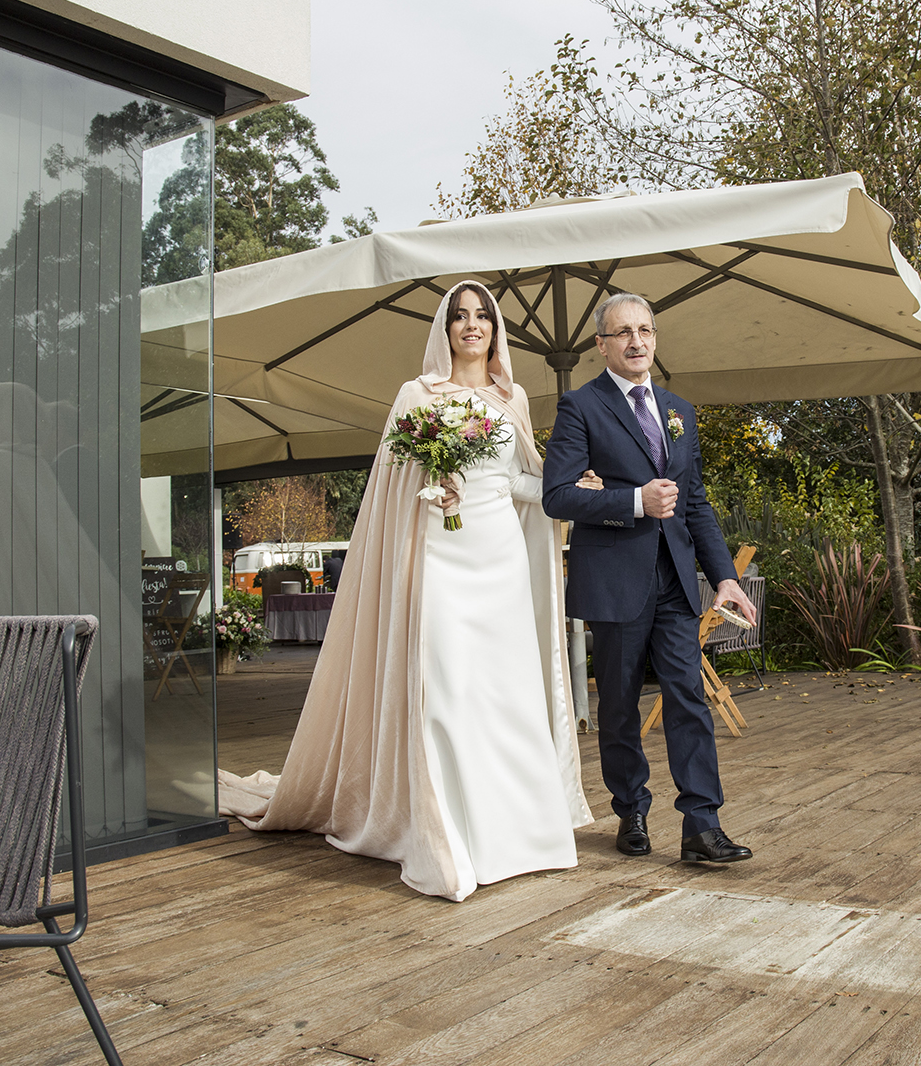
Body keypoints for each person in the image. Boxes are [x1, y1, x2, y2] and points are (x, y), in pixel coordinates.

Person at [218, 281, 596, 901]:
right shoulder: (415, 395)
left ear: (496, 331)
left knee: (503, 694)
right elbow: (390, 487)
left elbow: (523, 485)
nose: (472, 326)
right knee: (445, 690)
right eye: (460, 317)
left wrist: (573, 488)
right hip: (440, 557)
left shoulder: (514, 397)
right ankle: (447, 835)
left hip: (499, 559)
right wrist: (434, 484)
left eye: (482, 317)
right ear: (444, 330)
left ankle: (521, 836)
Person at [543, 292, 759, 864]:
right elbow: (557, 496)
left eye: (645, 330)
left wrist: (723, 578)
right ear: (601, 344)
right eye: (623, 333)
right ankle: (630, 808)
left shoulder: (679, 411)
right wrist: (634, 501)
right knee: (618, 704)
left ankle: (701, 826)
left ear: (655, 338)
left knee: (688, 695)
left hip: (675, 582)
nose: (636, 341)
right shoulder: (580, 407)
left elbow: (696, 505)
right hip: (614, 580)